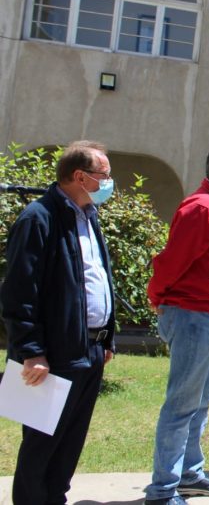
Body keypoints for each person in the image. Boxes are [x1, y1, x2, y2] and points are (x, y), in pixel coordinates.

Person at [1, 140, 116, 505]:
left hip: (90, 350)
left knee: (68, 445)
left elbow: (95, 280)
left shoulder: (88, 216)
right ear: (80, 176)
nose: (109, 183)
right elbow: (20, 292)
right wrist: (32, 351)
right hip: (52, 355)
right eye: (104, 176)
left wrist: (106, 338)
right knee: (41, 448)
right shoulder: (39, 218)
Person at [144, 144, 209, 505]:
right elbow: (173, 260)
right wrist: (157, 296)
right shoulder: (202, 208)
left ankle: (189, 474)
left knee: (200, 402)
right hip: (193, 316)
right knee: (181, 404)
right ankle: (162, 491)